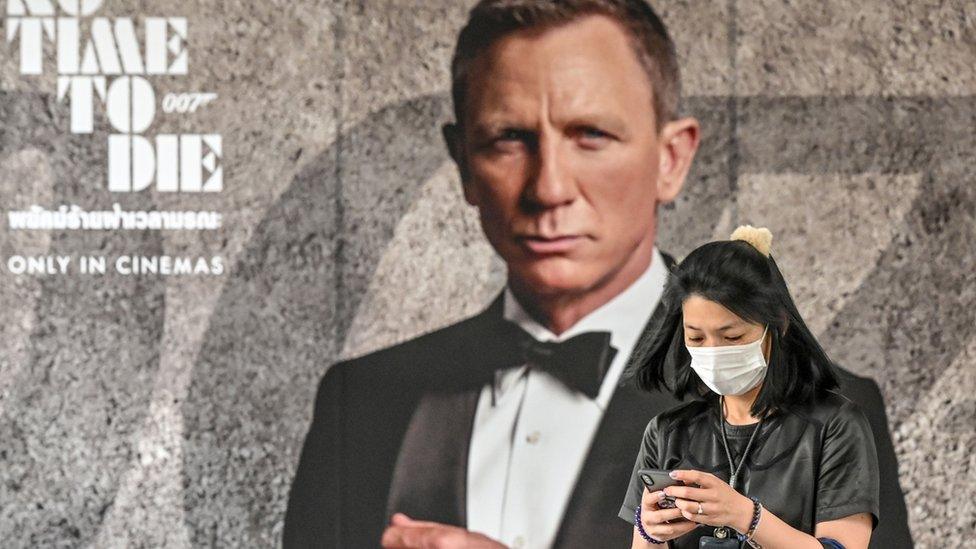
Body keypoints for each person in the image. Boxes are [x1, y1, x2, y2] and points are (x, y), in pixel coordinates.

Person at [284, 1, 911, 548]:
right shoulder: (359, 403)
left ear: (671, 159)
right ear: (464, 166)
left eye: (590, 134)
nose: (549, 188)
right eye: (507, 139)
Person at [621, 226, 880, 548]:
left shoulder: (835, 425)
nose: (713, 352)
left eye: (732, 337)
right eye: (696, 338)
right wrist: (650, 532)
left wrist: (745, 516)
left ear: (778, 325)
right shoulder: (667, 432)